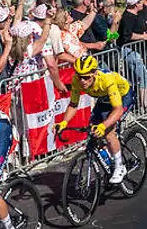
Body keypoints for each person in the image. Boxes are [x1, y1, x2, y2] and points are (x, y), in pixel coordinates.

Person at [55, 54, 133, 186]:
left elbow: (118, 109)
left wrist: (104, 125)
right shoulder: (77, 81)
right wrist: (64, 122)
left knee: (108, 132)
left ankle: (119, 166)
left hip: (123, 95)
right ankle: (110, 159)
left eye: (86, 77)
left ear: (95, 73)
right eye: (80, 76)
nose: (82, 81)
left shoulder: (107, 79)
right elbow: (73, 105)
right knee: (92, 130)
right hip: (104, 99)